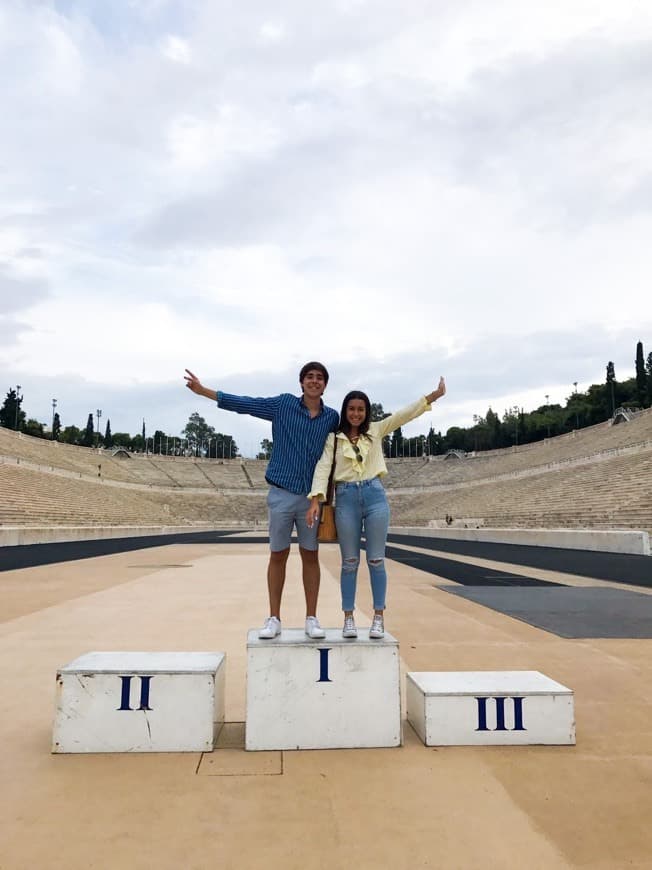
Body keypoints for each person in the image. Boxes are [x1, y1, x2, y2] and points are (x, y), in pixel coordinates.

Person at [184, 363, 338, 639]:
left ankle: (311, 618)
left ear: (325, 385)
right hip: (280, 493)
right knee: (278, 554)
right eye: (310, 377)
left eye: (320, 378)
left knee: (310, 555)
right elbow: (246, 404)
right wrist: (204, 392)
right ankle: (274, 618)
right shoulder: (282, 405)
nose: (315, 382)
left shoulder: (332, 417)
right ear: (301, 382)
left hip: (311, 498)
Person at [306, 378, 446, 639]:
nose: (356, 414)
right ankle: (348, 617)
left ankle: (378, 617)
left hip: (374, 496)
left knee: (376, 559)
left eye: (361, 409)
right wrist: (316, 498)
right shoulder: (334, 439)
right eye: (351, 409)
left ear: (366, 411)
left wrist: (432, 397)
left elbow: (404, 415)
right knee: (349, 562)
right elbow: (323, 467)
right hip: (346, 498)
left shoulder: (377, 430)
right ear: (345, 411)